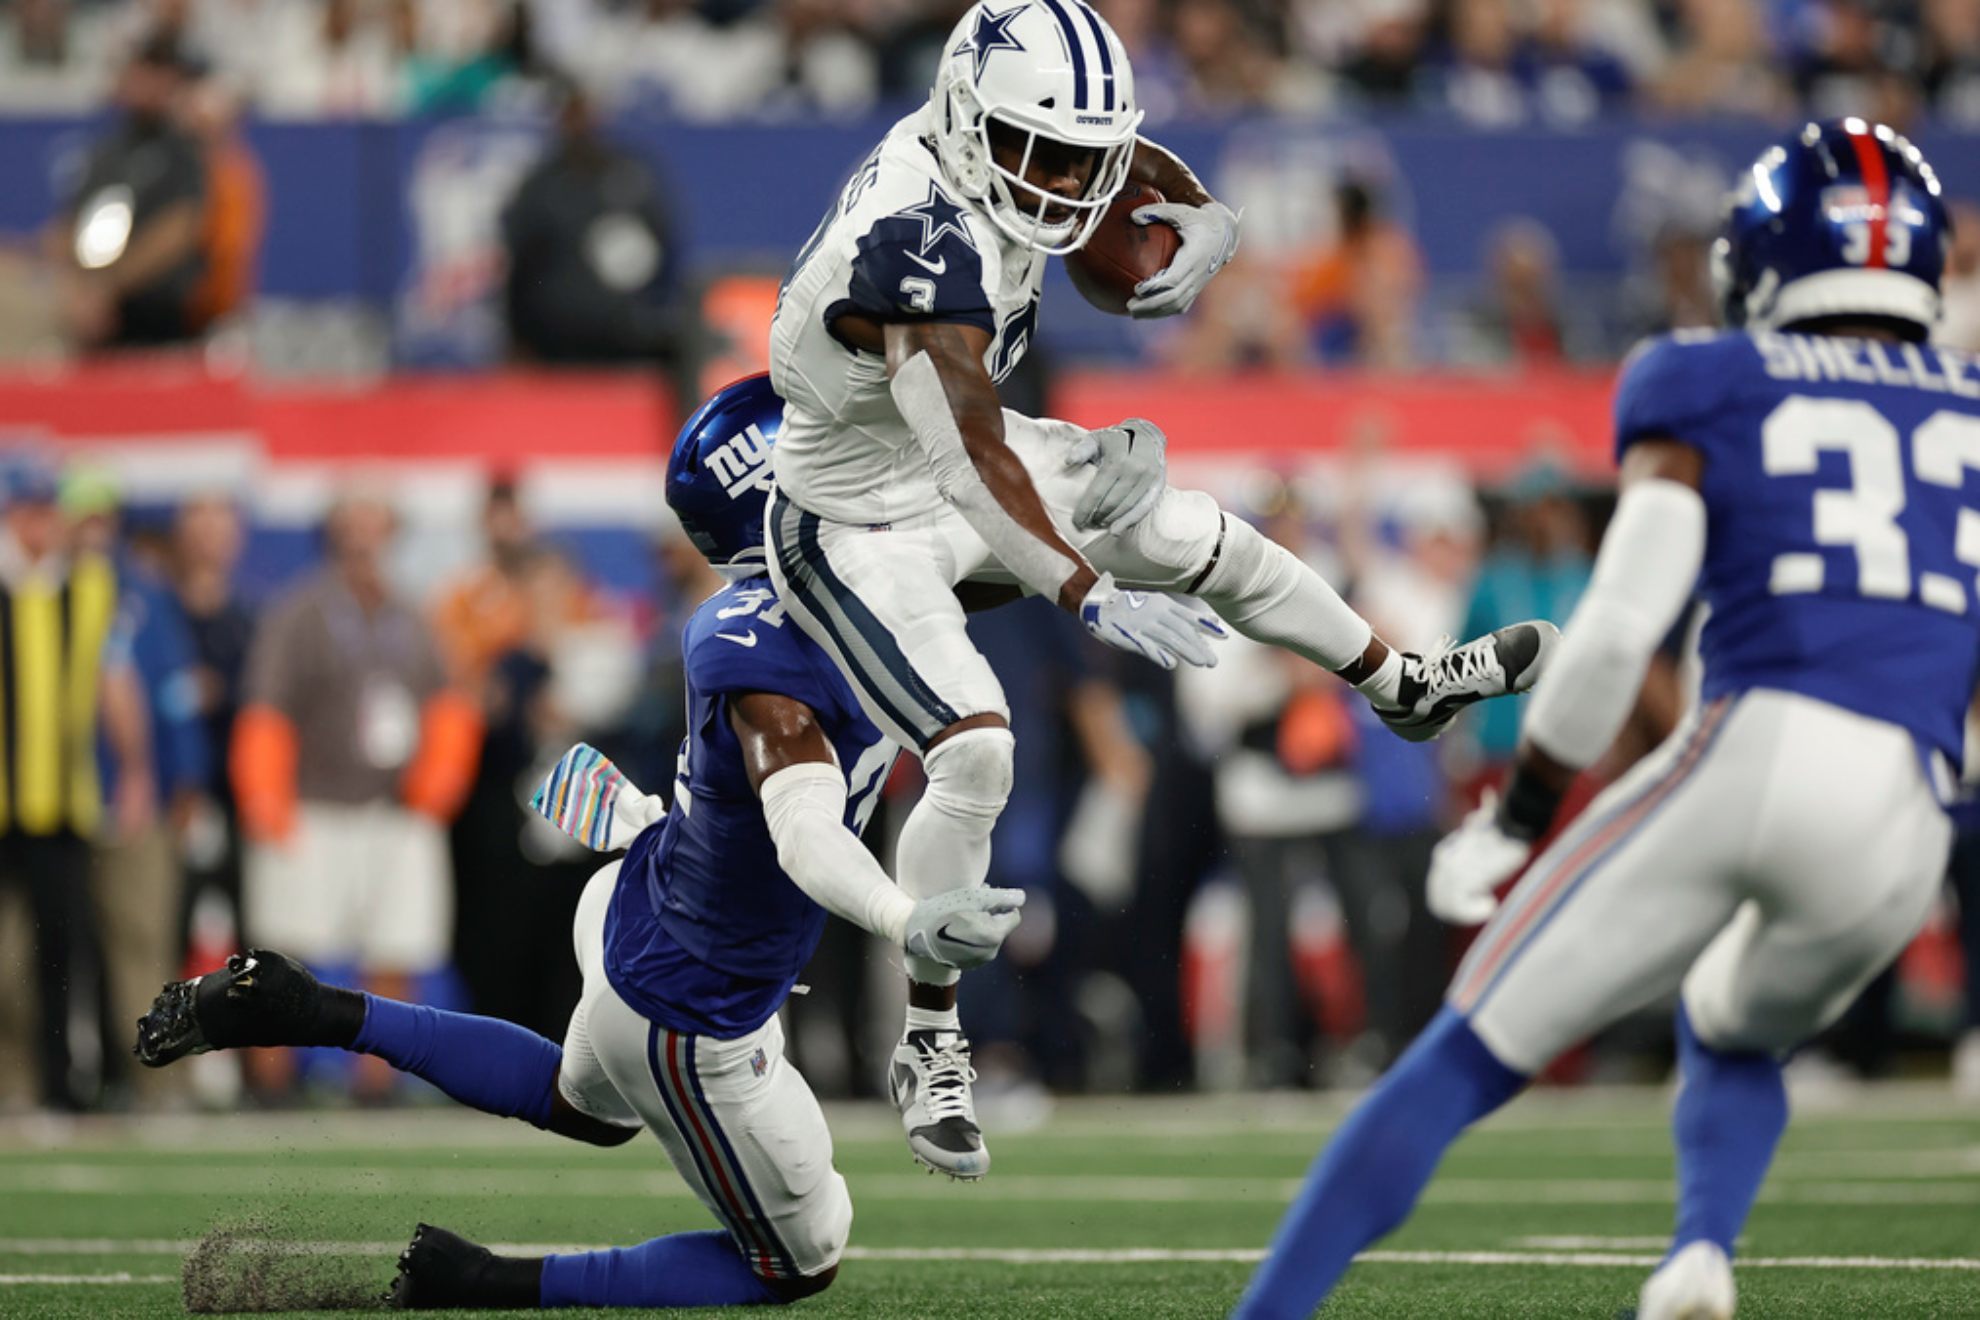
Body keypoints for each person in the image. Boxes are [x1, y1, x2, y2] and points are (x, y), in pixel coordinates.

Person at [765, 0, 1556, 1178]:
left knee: (1196, 531)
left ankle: (1398, 682)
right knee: (981, 749)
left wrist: (1199, 211)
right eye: (1040, 152)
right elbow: (970, 464)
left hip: (955, 457)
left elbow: (1127, 158)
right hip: (859, 515)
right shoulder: (913, 234)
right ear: (969, 120)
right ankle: (932, 1038)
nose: (1066, 182)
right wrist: (1084, 590)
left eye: (1078, 152)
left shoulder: (1026, 149)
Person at [1234, 120, 1972, 1320]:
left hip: (1761, 737)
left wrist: (1517, 818)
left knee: (1464, 1050)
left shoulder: (1707, 376)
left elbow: (1618, 628)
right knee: (1731, 1021)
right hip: (1904, 813)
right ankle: (1699, 1255)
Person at [134, 376, 1026, 1309]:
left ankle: (308, 1008)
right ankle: (480, 1283)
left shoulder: (836, 587)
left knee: (582, 1105)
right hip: (695, 995)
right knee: (803, 1258)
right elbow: (803, 833)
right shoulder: (777, 660)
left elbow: (983, 540)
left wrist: (1120, 558)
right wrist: (906, 914)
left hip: (643, 892)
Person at [229, 488, 481, 1100]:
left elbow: (448, 705)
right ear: (334, 535)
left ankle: (378, 1084)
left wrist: (438, 780)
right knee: (285, 950)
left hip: (394, 810)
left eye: (376, 524)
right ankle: (271, 1085)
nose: (366, 540)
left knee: (396, 948)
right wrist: (265, 794)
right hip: (310, 806)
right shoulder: (300, 611)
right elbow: (265, 710)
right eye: (353, 524)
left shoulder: (414, 615)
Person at [0, 453, 151, 1110]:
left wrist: (137, 766)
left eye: (45, 510)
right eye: (26, 510)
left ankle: (64, 1085)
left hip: (63, 800)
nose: (39, 525)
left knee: (64, 953)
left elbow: (115, 681)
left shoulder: (89, 586)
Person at [46, 34, 208, 352]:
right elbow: (68, 228)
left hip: (161, 319)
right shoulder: (106, 154)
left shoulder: (185, 154)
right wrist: (80, 292)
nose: (145, 85)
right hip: (95, 318)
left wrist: (108, 288)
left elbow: (176, 233)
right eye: (140, 73)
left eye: (157, 75)